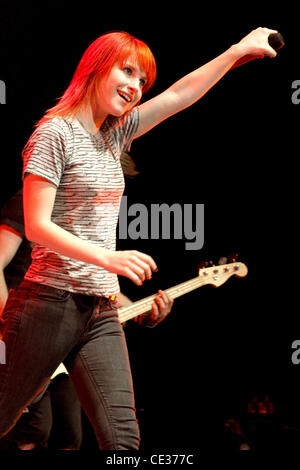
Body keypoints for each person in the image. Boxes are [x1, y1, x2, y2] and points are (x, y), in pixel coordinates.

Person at [0, 28, 278, 450]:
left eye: (142, 80)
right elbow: (36, 226)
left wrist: (236, 52)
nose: (135, 87)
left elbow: (179, 96)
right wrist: (107, 259)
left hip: (101, 311)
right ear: (95, 67)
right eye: (126, 71)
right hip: (46, 305)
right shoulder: (53, 134)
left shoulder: (113, 134)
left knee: (123, 442)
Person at [0, 187, 172, 450]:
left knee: (76, 437)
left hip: (80, 325)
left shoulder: (89, 213)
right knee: (31, 428)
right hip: (32, 322)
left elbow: (94, 282)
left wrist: (141, 309)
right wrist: (6, 322)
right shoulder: (31, 198)